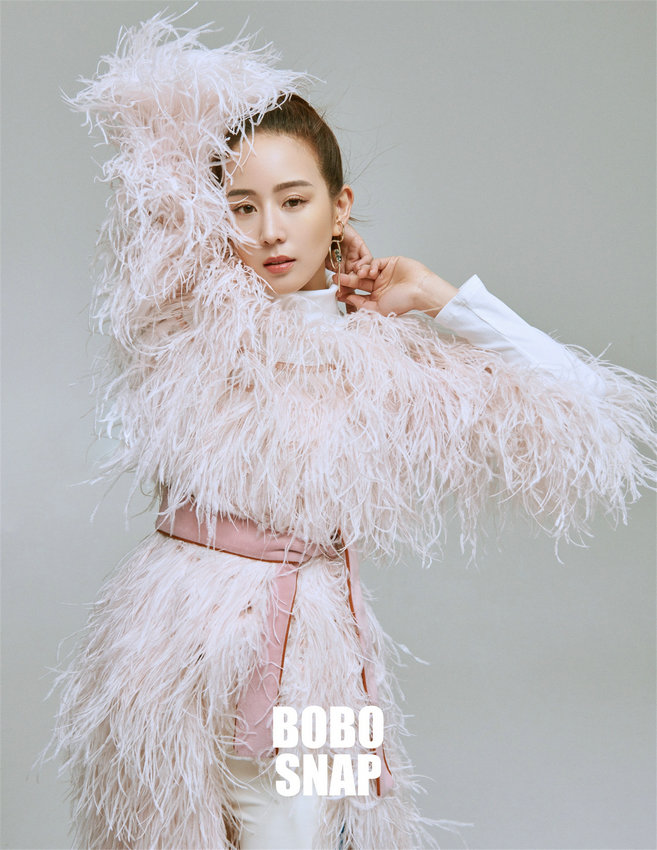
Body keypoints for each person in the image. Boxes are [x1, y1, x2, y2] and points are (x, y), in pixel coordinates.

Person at [35, 13, 656, 850]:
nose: (268, 229)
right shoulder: (186, 324)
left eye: (294, 201)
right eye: (241, 206)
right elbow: (148, 126)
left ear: (339, 208)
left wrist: (438, 298)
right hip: (160, 645)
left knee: (295, 836)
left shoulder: (385, 357)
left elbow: (584, 404)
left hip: (312, 651)